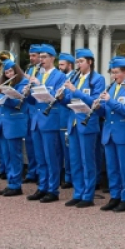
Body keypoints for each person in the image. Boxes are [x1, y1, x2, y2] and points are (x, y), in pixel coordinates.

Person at [60, 48, 105, 208]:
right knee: (75, 161)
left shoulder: (98, 79)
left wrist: (75, 91)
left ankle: (88, 194)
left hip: (87, 123)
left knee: (88, 160)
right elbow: (69, 101)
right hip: (73, 123)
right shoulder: (76, 78)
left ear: (90, 62)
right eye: (77, 62)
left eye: (81, 61)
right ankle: (78, 193)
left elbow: (95, 102)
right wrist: (61, 98)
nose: (78, 64)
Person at [26, 44, 66, 203]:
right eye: (40, 57)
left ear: (52, 58)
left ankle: (52, 189)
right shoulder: (38, 74)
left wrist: (36, 85)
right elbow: (33, 100)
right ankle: (42, 186)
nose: (41, 60)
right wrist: (27, 93)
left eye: (44, 57)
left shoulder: (59, 76)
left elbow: (54, 98)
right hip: (36, 120)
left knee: (51, 156)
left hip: (50, 119)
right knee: (39, 156)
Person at [98, 56, 125, 212]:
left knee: (123, 166)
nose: (114, 76)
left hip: (122, 131)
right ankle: (115, 196)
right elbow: (105, 112)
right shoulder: (111, 88)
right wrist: (97, 107)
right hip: (109, 132)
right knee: (111, 167)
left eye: (117, 72)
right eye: (112, 73)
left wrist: (110, 101)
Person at [0, 60, 29, 197]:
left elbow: (17, 103)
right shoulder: (6, 84)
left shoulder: (23, 83)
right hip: (3, 123)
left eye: (11, 71)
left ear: (16, 71)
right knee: (6, 155)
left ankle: (16, 185)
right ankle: (10, 182)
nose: (9, 74)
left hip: (14, 123)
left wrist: (0, 95)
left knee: (15, 155)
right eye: (6, 72)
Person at [22, 44, 42, 184]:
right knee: (29, 142)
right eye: (30, 55)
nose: (31, 58)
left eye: (34, 56)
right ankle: (31, 170)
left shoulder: (42, 71)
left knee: (38, 145)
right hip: (28, 109)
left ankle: (39, 173)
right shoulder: (29, 68)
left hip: (38, 109)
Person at [57, 52, 76, 189]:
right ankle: (62, 175)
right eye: (59, 65)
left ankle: (69, 177)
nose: (60, 67)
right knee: (60, 150)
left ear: (70, 65)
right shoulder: (60, 78)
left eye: (62, 65)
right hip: (59, 116)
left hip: (68, 116)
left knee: (69, 150)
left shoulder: (74, 78)